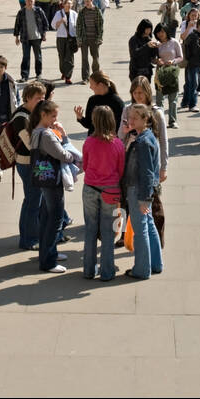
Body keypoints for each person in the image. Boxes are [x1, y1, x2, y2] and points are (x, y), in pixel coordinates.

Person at [29, 98, 82, 272]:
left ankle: (48, 252)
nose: (55, 120)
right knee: (55, 219)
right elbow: (63, 155)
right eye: (52, 116)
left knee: (46, 216)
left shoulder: (37, 131)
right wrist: (68, 146)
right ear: (42, 115)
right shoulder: (46, 134)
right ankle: (48, 261)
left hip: (44, 178)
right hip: (52, 180)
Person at [80, 107, 125, 281]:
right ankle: (107, 272)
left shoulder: (89, 142)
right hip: (111, 189)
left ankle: (89, 270)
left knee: (90, 229)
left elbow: (85, 165)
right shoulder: (118, 144)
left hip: (90, 187)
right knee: (108, 231)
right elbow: (120, 170)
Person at [120, 104, 163, 279]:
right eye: (129, 117)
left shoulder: (143, 142)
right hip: (144, 190)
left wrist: (144, 198)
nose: (130, 121)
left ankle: (142, 269)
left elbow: (146, 172)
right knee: (149, 224)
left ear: (145, 119)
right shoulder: (146, 136)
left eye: (134, 118)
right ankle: (155, 263)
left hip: (138, 190)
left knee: (141, 230)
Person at [9, 81, 48, 249]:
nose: (42, 101)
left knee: (33, 201)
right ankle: (28, 240)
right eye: (38, 98)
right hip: (28, 164)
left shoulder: (34, 113)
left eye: (43, 97)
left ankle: (32, 235)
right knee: (33, 202)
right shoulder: (20, 118)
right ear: (27, 98)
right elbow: (31, 144)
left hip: (36, 162)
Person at [75, 71, 124, 137]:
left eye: (92, 84)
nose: (90, 87)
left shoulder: (117, 102)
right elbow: (89, 124)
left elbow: (120, 127)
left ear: (100, 85)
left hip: (110, 142)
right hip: (93, 141)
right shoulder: (92, 100)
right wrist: (80, 118)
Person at [13, 0, 50, 80]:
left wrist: (44, 34)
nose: (29, 2)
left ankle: (39, 74)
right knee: (26, 57)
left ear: (34, 2)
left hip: (37, 38)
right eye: (28, 1)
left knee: (38, 57)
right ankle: (24, 76)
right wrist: (16, 37)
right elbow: (17, 25)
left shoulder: (38, 10)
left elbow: (45, 23)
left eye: (31, 1)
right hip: (25, 38)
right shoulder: (21, 12)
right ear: (25, 1)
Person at [51, 0, 79, 85]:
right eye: (67, 4)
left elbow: (78, 26)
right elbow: (53, 25)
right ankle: (63, 71)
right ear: (63, 4)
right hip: (61, 38)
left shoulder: (74, 14)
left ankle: (68, 77)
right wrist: (60, 21)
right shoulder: (58, 13)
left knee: (69, 58)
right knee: (62, 57)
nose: (69, 6)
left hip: (71, 38)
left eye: (71, 4)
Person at [76, 0, 104, 81]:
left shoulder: (97, 11)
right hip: (84, 39)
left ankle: (96, 77)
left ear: (91, 0)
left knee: (95, 58)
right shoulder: (82, 12)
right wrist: (79, 39)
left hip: (94, 39)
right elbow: (79, 26)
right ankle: (85, 78)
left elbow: (100, 26)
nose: (86, 3)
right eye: (85, 2)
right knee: (84, 59)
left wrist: (100, 38)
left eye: (88, 1)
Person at [181, 18, 200, 112]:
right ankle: (192, 104)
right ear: (199, 26)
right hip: (193, 64)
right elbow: (196, 51)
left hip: (194, 64)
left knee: (189, 84)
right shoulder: (195, 37)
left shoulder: (196, 36)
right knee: (194, 85)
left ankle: (185, 102)